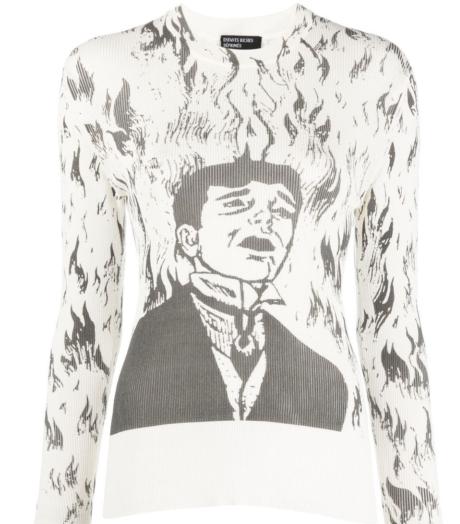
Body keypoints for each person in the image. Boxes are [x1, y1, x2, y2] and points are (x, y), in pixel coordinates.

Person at [111, 146, 348, 433]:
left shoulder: (326, 382)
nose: (266, 220)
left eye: (281, 210)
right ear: (189, 238)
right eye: (238, 204)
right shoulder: (150, 347)